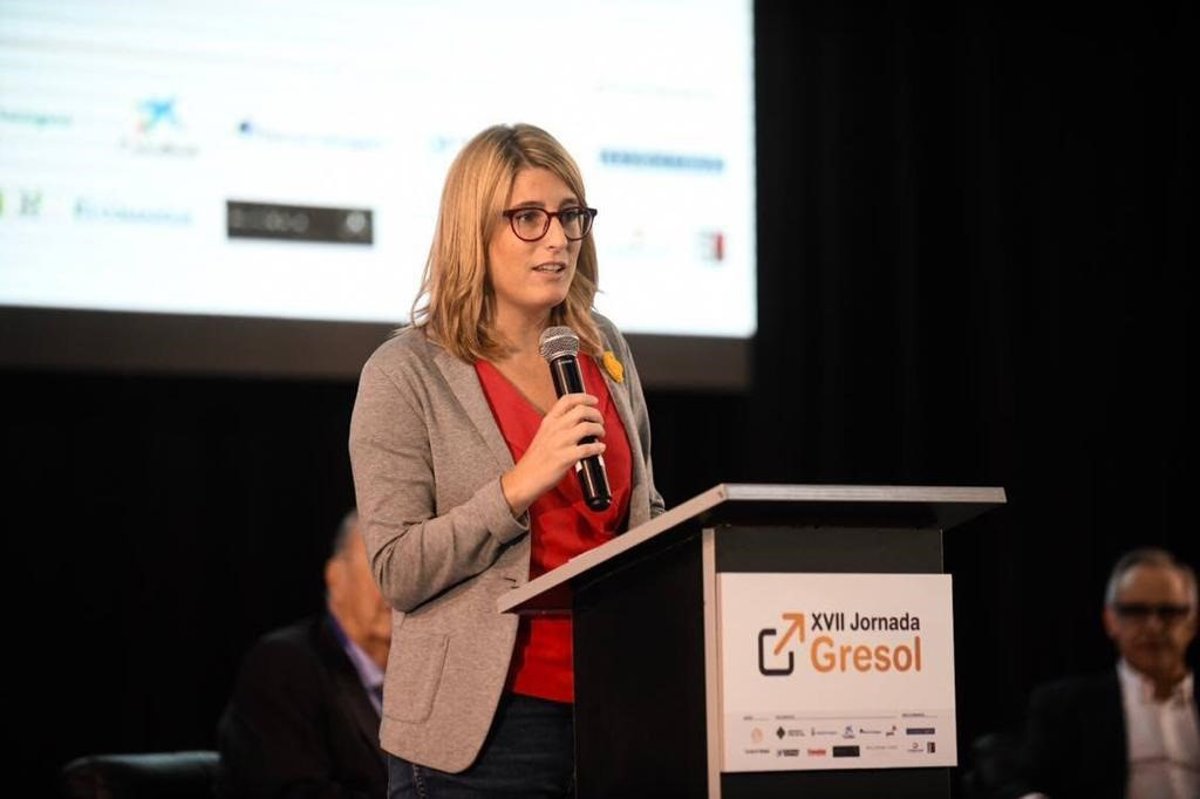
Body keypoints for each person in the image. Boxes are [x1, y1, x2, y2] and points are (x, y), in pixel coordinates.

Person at [348, 122, 665, 798]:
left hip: (618, 705)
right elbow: (399, 569)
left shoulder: (603, 347)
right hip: (485, 734)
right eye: (528, 218)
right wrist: (517, 487)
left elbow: (643, 510)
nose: (558, 238)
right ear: (473, 231)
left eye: (570, 215)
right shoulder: (406, 373)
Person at [216, 510, 391, 799]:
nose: (399, 587)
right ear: (335, 576)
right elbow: (294, 790)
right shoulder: (282, 666)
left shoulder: (429, 681)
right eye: (381, 566)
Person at [1006, 547, 1199, 799]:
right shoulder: (1065, 707)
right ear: (1111, 621)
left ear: (1193, 621)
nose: (1153, 626)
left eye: (1169, 612)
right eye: (1135, 612)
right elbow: (1018, 783)